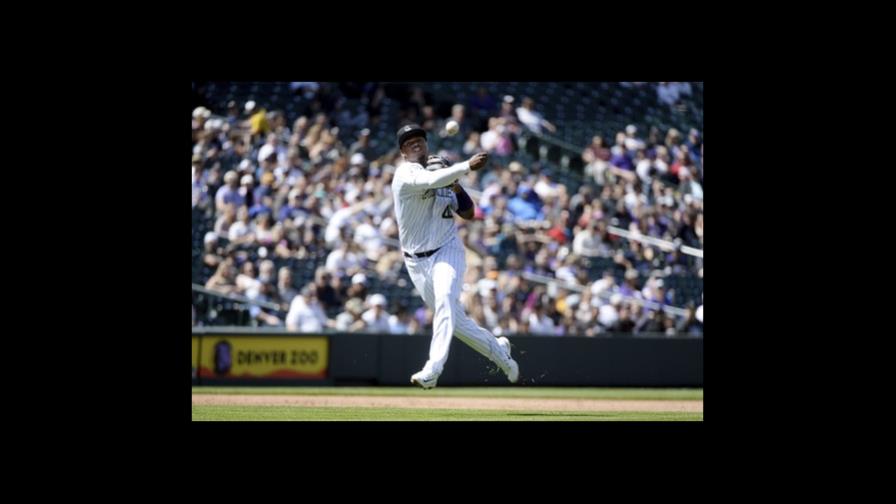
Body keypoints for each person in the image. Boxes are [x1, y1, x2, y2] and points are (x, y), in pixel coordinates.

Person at [391, 123, 518, 389]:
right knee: (458, 324)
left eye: (420, 140)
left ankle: (432, 369)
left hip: (447, 250)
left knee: (446, 300)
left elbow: (469, 214)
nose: (416, 144)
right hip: (415, 261)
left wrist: (457, 184)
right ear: (403, 151)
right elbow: (429, 181)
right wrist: (465, 167)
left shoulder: (446, 178)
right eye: (409, 143)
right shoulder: (405, 173)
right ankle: (500, 352)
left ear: (426, 145)